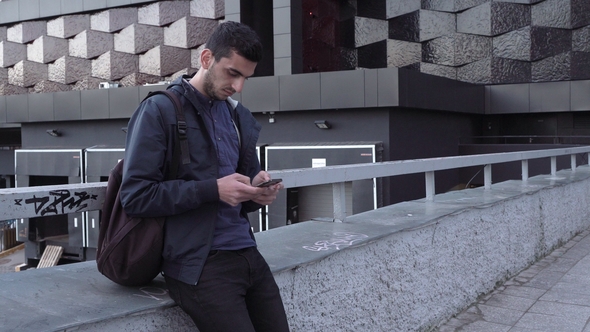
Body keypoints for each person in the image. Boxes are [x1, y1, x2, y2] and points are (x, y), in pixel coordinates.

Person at [120, 21, 290, 332]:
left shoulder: (238, 116)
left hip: (248, 254)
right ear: (206, 59)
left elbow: (240, 197)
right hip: (199, 265)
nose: (238, 87)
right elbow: (136, 196)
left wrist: (256, 192)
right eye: (232, 73)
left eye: (245, 78)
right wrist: (213, 190)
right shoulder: (161, 110)